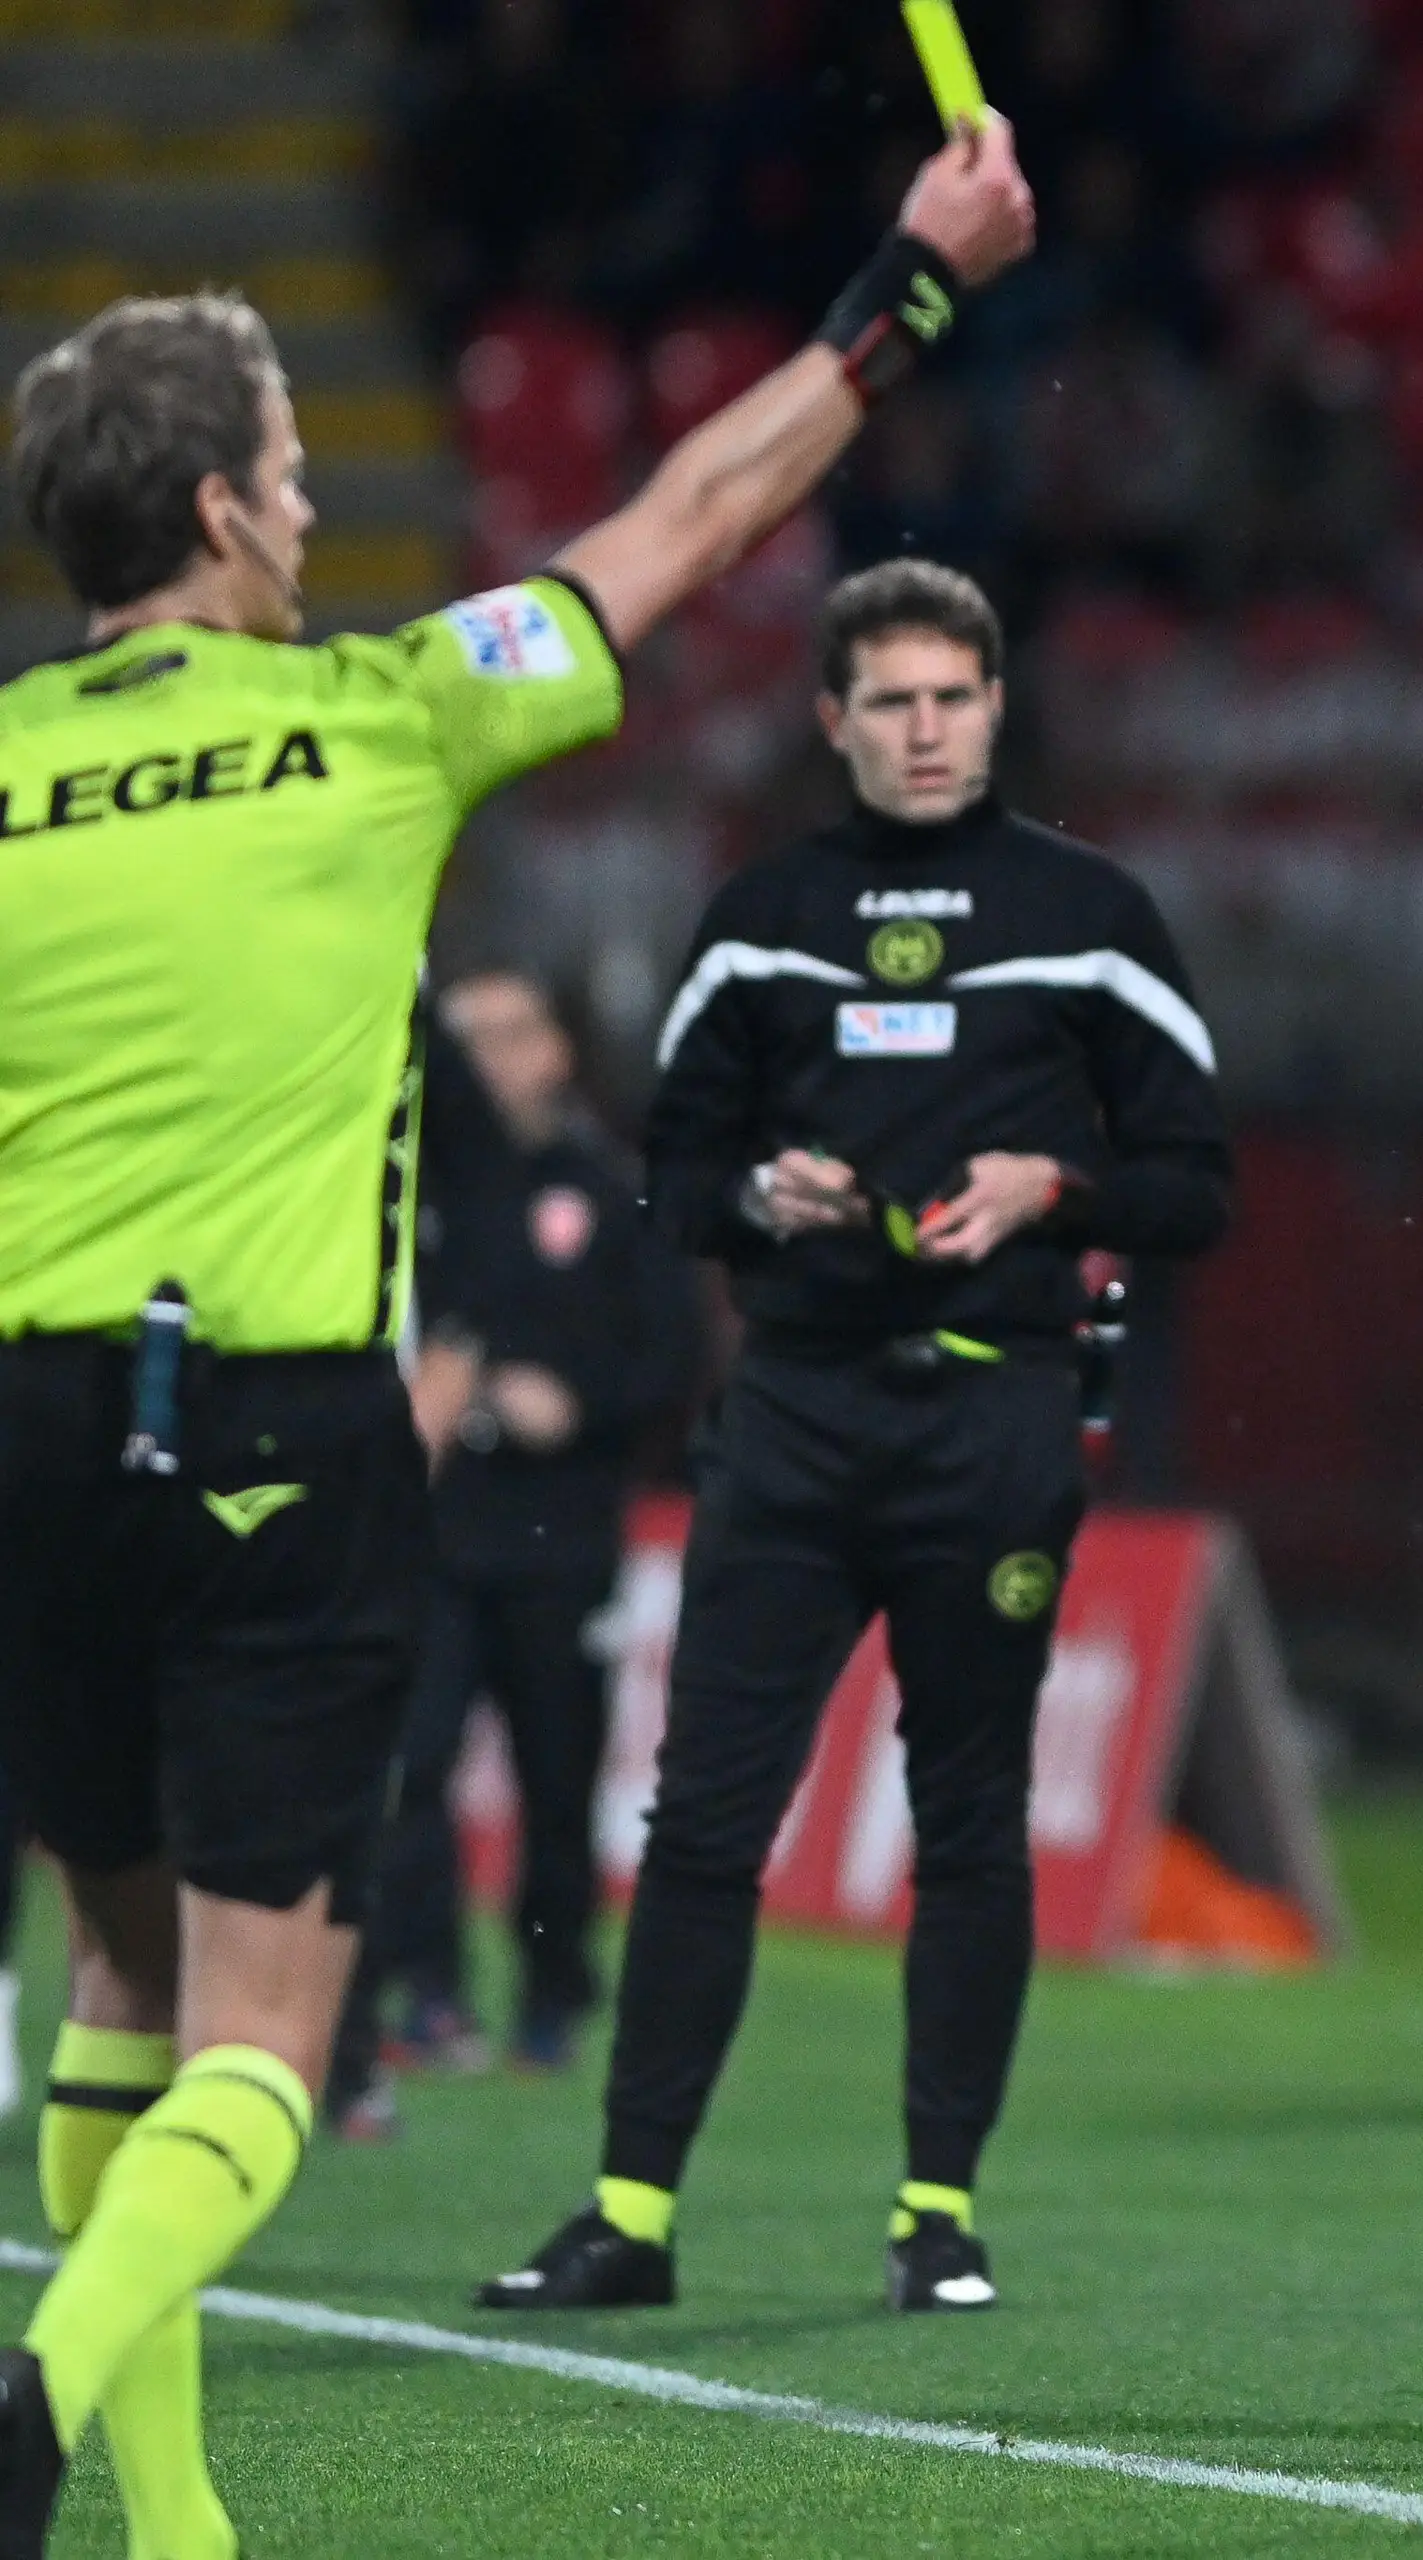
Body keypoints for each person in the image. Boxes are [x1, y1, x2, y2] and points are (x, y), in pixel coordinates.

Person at [0, 114, 1037, 2555]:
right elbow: (690, 514)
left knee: (117, 1970)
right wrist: (912, 285)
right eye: (287, 469)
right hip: (272, 1421)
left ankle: (176, 2523)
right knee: (268, 2028)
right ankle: (31, 2403)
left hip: (23, 1424)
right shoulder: (384, 708)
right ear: (230, 512)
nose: (304, 502)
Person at [475, 556, 1229, 2318]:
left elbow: (1198, 1185)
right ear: (834, 720)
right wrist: (758, 1193)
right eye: (891, 700)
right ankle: (630, 2215)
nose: (925, 728)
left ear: (996, 706)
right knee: (702, 1816)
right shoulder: (762, 920)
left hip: (996, 1414)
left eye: (953, 697)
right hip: (799, 1418)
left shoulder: (1092, 916)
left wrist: (1055, 1188)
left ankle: (937, 2215)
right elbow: (670, 1178)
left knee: (968, 1819)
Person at [381, 973, 702, 2072]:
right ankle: (428, 1987)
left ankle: (552, 1990)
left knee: (557, 1777)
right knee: (412, 1764)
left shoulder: (612, 1194)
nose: (487, 1058)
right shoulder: (405, 1192)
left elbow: (672, 1359)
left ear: (556, 1050)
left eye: (511, 1033)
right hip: (431, 1529)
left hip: (559, 1533)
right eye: (466, 1039)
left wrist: (575, 1405)